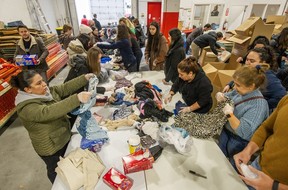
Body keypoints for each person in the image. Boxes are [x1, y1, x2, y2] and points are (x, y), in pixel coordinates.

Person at [10, 70, 93, 183]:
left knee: (69, 165)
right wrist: (76, 99)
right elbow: (49, 111)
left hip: (61, 136)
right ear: (27, 89)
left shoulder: (45, 92)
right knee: (56, 171)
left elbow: (63, 88)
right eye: (38, 83)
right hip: (51, 147)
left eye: (42, 80)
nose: (44, 84)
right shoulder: (27, 108)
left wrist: (84, 78)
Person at [217, 66, 269, 169]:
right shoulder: (240, 91)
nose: (235, 87)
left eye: (238, 85)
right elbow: (230, 96)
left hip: (239, 141)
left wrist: (229, 115)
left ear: (251, 86)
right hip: (226, 132)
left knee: (232, 168)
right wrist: (223, 97)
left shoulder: (258, 106)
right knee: (219, 159)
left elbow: (244, 131)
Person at [233, 95, 288, 190]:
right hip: (257, 167)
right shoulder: (286, 99)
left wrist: (274, 186)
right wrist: (248, 151)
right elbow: (266, 127)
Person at [223, 47, 286, 112]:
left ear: (263, 62)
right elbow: (240, 79)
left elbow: (281, 96)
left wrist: (262, 105)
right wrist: (229, 84)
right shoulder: (250, 71)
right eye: (247, 60)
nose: (247, 63)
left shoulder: (270, 78)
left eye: (252, 61)